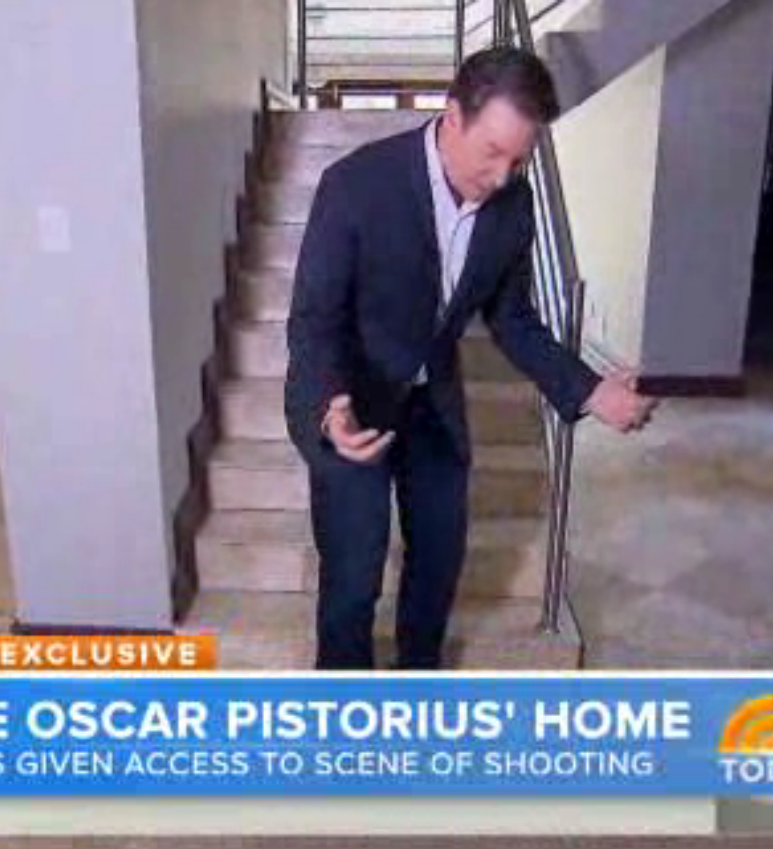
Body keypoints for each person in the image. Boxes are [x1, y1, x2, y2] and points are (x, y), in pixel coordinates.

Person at [284, 47, 657, 671]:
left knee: (438, 565)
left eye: (520, 159)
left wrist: (591, 390)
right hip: (352, 403)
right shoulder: (355, 185)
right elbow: (313, 318)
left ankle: (418, 692)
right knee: (353, 578)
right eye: (493, 152)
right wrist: (330, 404)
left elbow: (511, 319)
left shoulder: (516, 205)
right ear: (453, 116)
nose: (504, 176)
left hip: (431, 403)